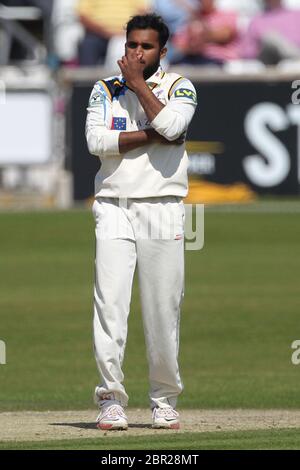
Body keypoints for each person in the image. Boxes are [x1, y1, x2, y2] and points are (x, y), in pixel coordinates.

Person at [85, 13, 197, 430]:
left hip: (163, 206)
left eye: (146, 47)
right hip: (113, 205)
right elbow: (97, 142)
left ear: (162, 52)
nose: (136, 52)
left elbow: (174, 124)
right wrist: (153, 135)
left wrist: (138, 86)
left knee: (162, 308)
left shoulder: (179, 86)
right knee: (109, 305)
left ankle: (164, 400)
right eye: (131, 44)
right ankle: (110, 398)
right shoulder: (103, 89)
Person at [77, 0, 149, 66]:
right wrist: (105, 32)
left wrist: (129, 30)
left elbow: (142, 12)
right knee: (88, 45)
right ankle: (86, 80)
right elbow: (83, 16)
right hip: (97, 35)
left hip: (128, 34)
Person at [172, 0, 240, 65]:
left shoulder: (227, 14)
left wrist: (201, 31)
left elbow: (225, 35)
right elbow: (180, 45)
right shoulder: (189, 19)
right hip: (193, 61)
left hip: (219, 61)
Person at [240, 0, 300, 64]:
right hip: (267, 62)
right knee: (271, 37)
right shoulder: (257, 20)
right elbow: (248, 52)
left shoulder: (296, 15)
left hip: (291, 59)